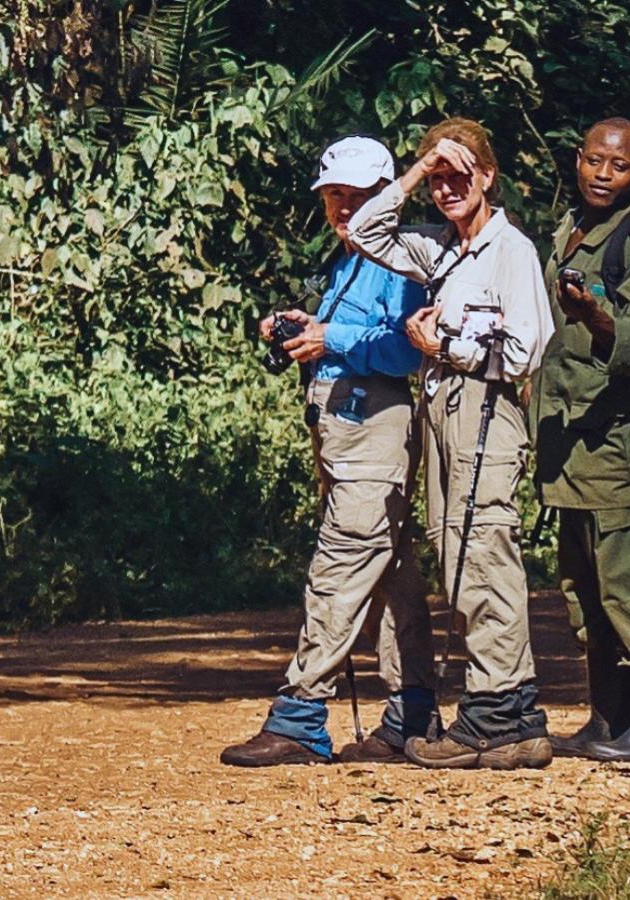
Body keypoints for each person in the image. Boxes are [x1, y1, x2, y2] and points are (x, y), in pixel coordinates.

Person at [220, 135, 438, 767]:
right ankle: (411, 715)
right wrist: (300, 327)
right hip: (344, 433)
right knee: (392, 572)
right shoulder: (346, 264)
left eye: (357, 195)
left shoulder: (400, 261)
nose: (343, 207)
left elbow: (405, 349)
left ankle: (300, 715)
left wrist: (330, 337)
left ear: (382, 194)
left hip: (375, 429)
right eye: (334, 195)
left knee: (339, 567)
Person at [347, 118, 556, 769]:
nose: (446, 189)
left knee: (484, 553)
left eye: (458, 176)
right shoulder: (440, 249)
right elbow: (363, 230)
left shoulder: (509, 250)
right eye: (437, 179)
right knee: (460, 556)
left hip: (486, 413)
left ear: (488, 177)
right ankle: (513, 719)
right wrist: (413, 171)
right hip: (444, 413)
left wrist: (449, 348)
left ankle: (495, 714)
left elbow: (525, 351)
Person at [530, 118, 630, 762]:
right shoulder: (569, 230)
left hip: (617, 444)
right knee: (584, 588)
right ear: (578, 159)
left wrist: (599, 318)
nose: (602, 173)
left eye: (618, 166)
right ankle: (609, 720)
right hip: (567, 446)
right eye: (594, 160)